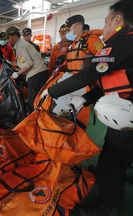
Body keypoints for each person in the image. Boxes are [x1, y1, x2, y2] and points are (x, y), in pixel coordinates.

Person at [42, 0, 133, 215]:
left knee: (112, 161)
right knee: (117, 157)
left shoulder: (118, 43)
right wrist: (86, 99)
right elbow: (115, 79)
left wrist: (52, 91)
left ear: (117, 19)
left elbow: (91, 73)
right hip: (121, 105)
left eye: (107, 20)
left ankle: (108, 208)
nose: (105, 26)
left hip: (126, 115)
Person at [5, 26, 49, 113]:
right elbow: (23, 62)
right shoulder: (20, 45)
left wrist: (17, 74)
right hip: (39, 73)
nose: (7, 41)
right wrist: (10, 63)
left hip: (36, 75)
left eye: (8, 38)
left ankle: (35, 121)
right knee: (37, 98)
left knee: (34, 100)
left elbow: (28, 65)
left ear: (14, 36)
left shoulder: (21, 46)